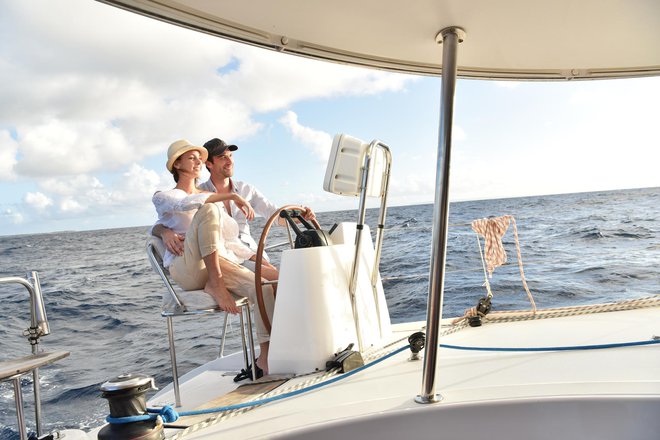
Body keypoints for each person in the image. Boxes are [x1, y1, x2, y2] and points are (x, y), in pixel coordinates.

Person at [152, 139, 274, 375]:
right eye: (191, 157)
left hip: (216, 260)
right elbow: (186, 202)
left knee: (264, 288)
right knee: (207, 209)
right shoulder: (163, 195)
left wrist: (254, 257)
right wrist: (231, 198)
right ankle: (215, 284)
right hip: (186, 267)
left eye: (200, 157)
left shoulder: (209, 195)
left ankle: (265, 359)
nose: (198, 161)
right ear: (177, 164)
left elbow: (228, 238)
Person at [154, 137, 316, 273]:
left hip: (250, 251)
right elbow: (167, 218)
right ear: (208, 164)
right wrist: (164, 232)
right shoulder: (197, 194)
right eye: (223, 157)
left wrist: (299, 217)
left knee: (290, 278)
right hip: (221, 256)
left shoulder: (246, 189)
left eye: (231, 156)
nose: (230, 161)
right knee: (276, 282)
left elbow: (274, 216)